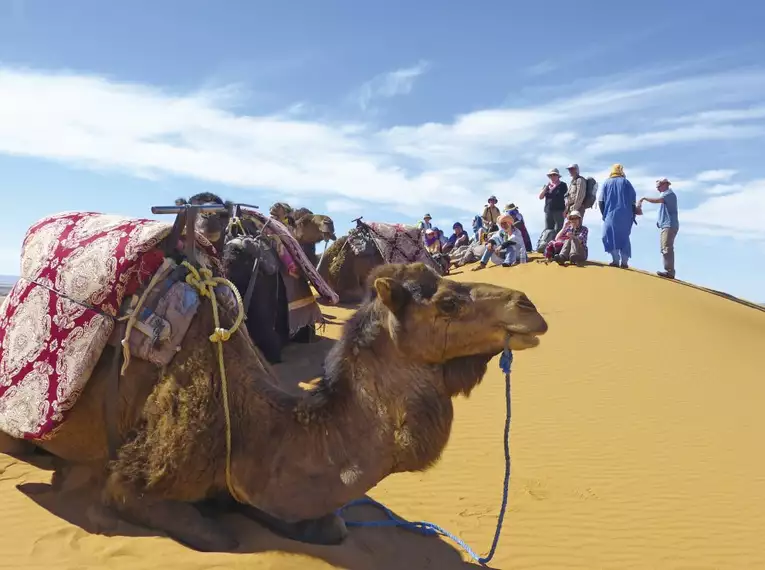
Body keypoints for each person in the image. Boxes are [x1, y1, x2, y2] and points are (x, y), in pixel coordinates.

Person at [640, 177, 679, 279]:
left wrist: (644, 198)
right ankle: (669, 270)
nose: (657, 189)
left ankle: (669, 271)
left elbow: (658, 200)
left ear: (665, 184)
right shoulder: (666, 195)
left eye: (659, 186)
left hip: (669, 225)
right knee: (665, 247)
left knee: (667, 247)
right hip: (666, 225)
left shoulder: (669, 194)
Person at [599, 163, 636, 269]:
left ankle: (615, 260)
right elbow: (633, 201)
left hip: (610, 214)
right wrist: (633, 215)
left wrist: (604, 214)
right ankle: (624, 262)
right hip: (626, 215)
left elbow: (601, 200)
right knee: (624, 237)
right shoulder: (626, 183)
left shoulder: (606, 183)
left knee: (608, 235)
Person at [539, 168, 568, 233]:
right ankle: (548, 242)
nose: (552, 176)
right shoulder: (546, 186)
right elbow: (540, 197)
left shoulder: (563, 185)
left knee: (559, 230)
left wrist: (566, 210)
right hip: (548, 211)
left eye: (554, 175)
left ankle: (558, 243)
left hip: (559, 211)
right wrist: (546, 188)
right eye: (550, 175)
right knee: (548, 230)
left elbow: (567, 198)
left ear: (558, 176)